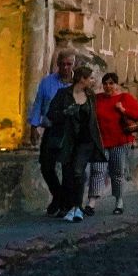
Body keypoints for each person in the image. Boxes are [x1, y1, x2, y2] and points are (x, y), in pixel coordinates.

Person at [45, 65, 105, 222]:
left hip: (85, 140)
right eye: (90, 78)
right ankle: (68, 206)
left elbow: (93, 119)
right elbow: (51, 114)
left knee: (78, 171)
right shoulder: (63, 94)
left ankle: (77, 206)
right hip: (68, 139)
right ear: (81, 79)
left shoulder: (90, 96)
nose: (92, 81)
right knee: (67, 173)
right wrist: (65, 113)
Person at [29, 50, 77, 216]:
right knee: (46, 164)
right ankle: (59, 196)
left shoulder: (77, 84)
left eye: (68, 64)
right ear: (57, 64)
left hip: (70, 131)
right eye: (62, 64)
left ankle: (65, 203)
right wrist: (34, 126)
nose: (65, 67)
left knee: (67, 168)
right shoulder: (47, 82)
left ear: (73, 65)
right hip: (51, 128)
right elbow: (38, 103)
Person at [90, 72, 138, 215]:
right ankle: (91, 202)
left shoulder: (124, 98)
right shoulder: (97, 99)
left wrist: (123, 109)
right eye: (105, 83)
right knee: (97, 170)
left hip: (119, 141)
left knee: (117, 172)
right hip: (101, 141)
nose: (108, 86)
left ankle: (119, 201)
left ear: (116, 84)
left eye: (111, 83)